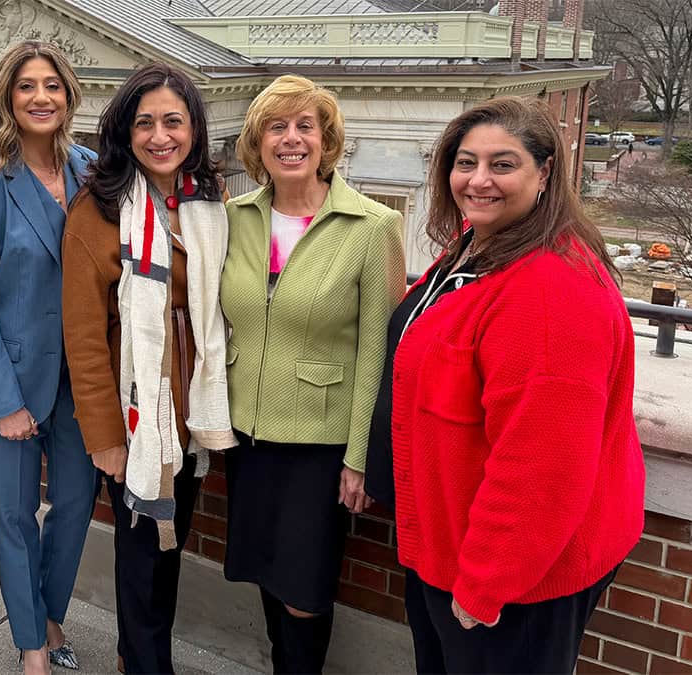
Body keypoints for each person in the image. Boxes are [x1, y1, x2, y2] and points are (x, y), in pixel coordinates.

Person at [386, 96, 645, 673]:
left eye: (502, 165)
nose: (478, 180)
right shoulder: (483, 245)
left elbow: (542, 464)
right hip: (454, 551)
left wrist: (484, 584)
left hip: (514, 582)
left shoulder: (550, 292)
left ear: (545, 172)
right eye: (465, 162)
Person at [219, 74, 406, 674]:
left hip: (320, 446)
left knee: (304, 591)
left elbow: (378, 351)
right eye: (278, 127)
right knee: (267, 579)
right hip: (247, 436)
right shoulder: (235, 217)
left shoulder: (372, 227)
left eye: (307, 127)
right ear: (257, 142)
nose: (292, 139)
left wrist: (359, 457)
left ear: (327, 142)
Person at [62, 63, 236, 675]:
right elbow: (83, 336)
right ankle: (144, 663)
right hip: (137, 417)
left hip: (192, 409)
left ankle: (134, 655)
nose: (160, 136)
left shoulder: (208, 205)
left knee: (170, 546)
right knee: (142, 555)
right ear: (123, 132)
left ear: (194, 129)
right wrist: (105, 436)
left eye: (173, 121)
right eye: (144, 123)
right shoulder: (100, 209)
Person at [0, 41, 99, 675]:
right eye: (27, 86)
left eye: (53, 86)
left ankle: (49, 609)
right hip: (6, 383)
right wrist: (4, 403)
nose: (41, 97)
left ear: (69, 96)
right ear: (7, 98)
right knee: (14, 518)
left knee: (74, 503)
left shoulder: (94, 172)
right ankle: (32, 644)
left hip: (85, 379)